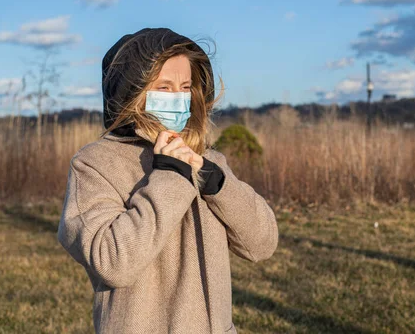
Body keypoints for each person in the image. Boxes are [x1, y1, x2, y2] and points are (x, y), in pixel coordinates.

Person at [56, 27, 279, 334]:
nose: (178, 98)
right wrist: (170, 176)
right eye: (164, 87)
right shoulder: (95, 164)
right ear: (132, 92)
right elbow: (112, 263)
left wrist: (219, 187)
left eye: (185, 87)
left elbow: (263, 243)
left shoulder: (208, 160)